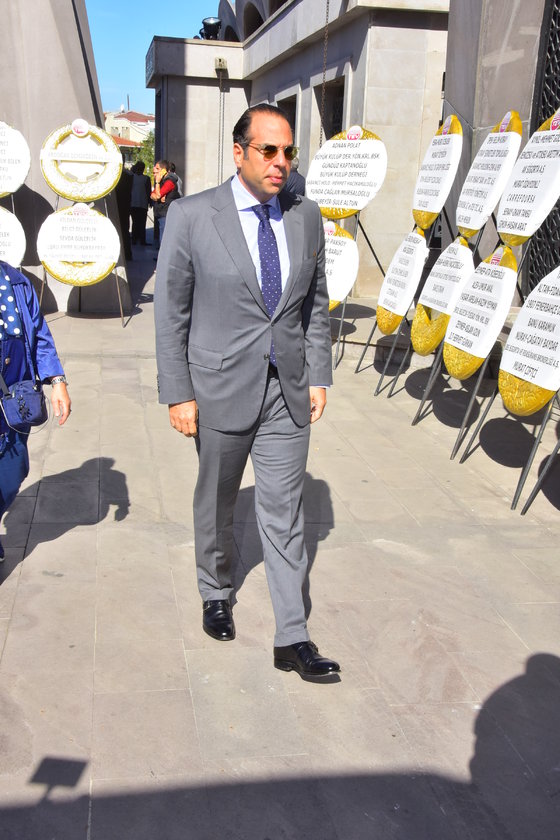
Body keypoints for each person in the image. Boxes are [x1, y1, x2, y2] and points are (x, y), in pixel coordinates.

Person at [154, 103, 339, 680]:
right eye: (269, 150)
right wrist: (178, 392)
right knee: (218, 500)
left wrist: (318, 373)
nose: (281, 162)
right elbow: (170, 312)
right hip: (217, 389)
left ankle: (292, 637)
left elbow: (315, 304)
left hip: (287, 391)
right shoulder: (191, 216)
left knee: (285, 515)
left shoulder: (306, 216)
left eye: (289, 152)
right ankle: (215, 589)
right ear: (239, 153)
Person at [0, 261, 71, 560]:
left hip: (15, 397)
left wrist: (57, 381)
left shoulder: (15, 281)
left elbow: (40, 334)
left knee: (13, 472)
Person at [150, 159, 179, 247]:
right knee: (161, 237)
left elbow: (157, 195)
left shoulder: (169, 181)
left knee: (164, 239)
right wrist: (157, 196)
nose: (155, 173)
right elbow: (152, 195)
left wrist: (157, 183)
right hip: (161, 212)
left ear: (163, 170)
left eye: (157, 169)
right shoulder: (163, 181)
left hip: (166, 213)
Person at [115, 157, 133, 260]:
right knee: (125, 230)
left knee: (120, 230)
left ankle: (121, 253)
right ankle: (127, 253)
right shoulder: (129, 176)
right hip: (125, 205)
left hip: (118, 205)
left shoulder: (114, 176)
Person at [130, 161, 151, 245]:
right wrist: (150, 202)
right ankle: (142, 240)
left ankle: (134, 239)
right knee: (142, 223)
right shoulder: (146, 178)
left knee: (135, 222)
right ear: (143, 169)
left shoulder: (131, 178)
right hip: (143, 203)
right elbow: (148, 191)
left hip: (133, 203)